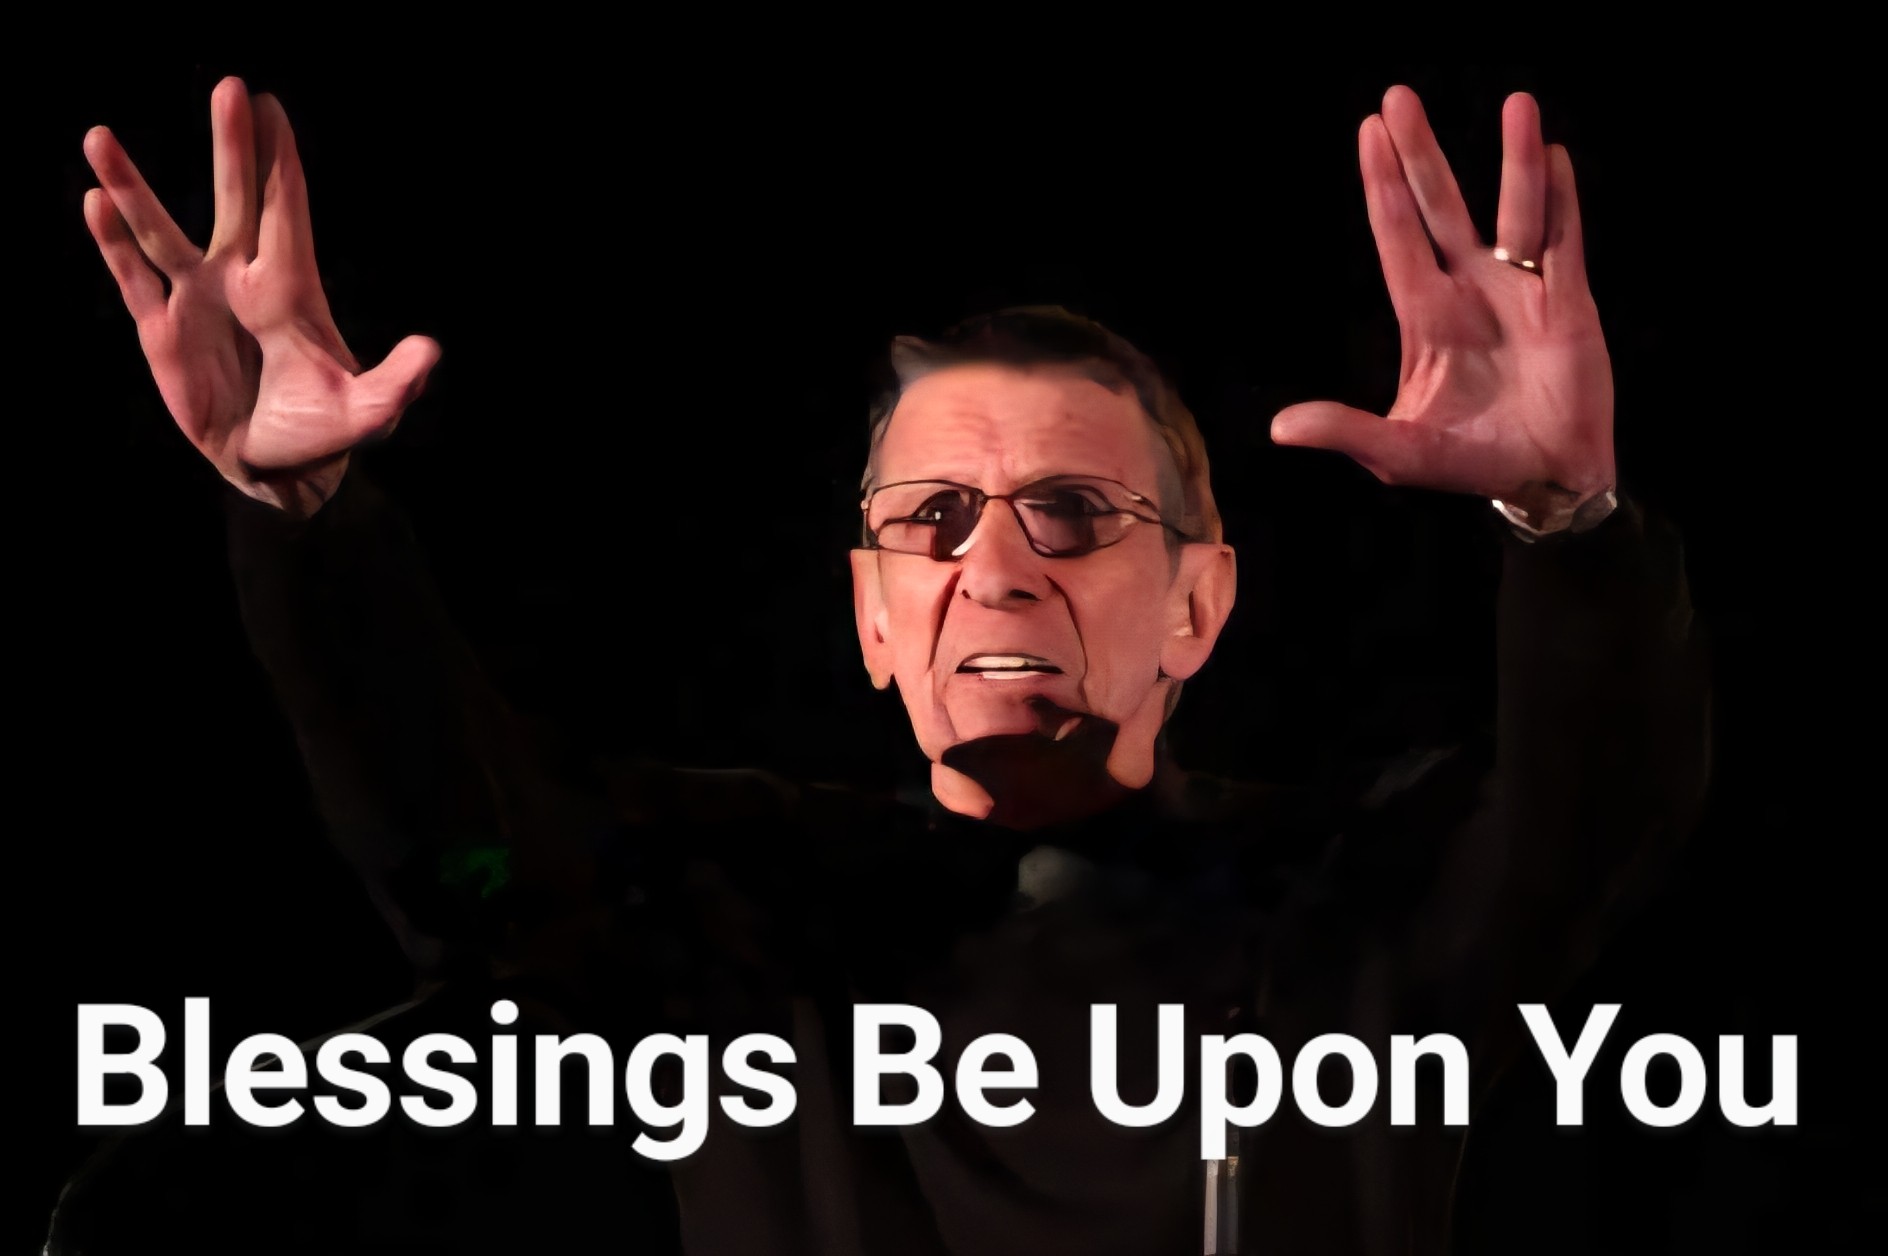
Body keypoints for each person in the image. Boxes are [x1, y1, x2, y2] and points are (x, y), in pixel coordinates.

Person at [51, 77, 1708, 1255]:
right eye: (933, 520)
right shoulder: (729, 909)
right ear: (869, 617)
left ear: (1198, 609)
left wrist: (1569, 523)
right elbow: (454, 850)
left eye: (1073, 513)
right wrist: (305, 519)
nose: (995, 565)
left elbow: (1594, 811)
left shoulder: (1358, 900)